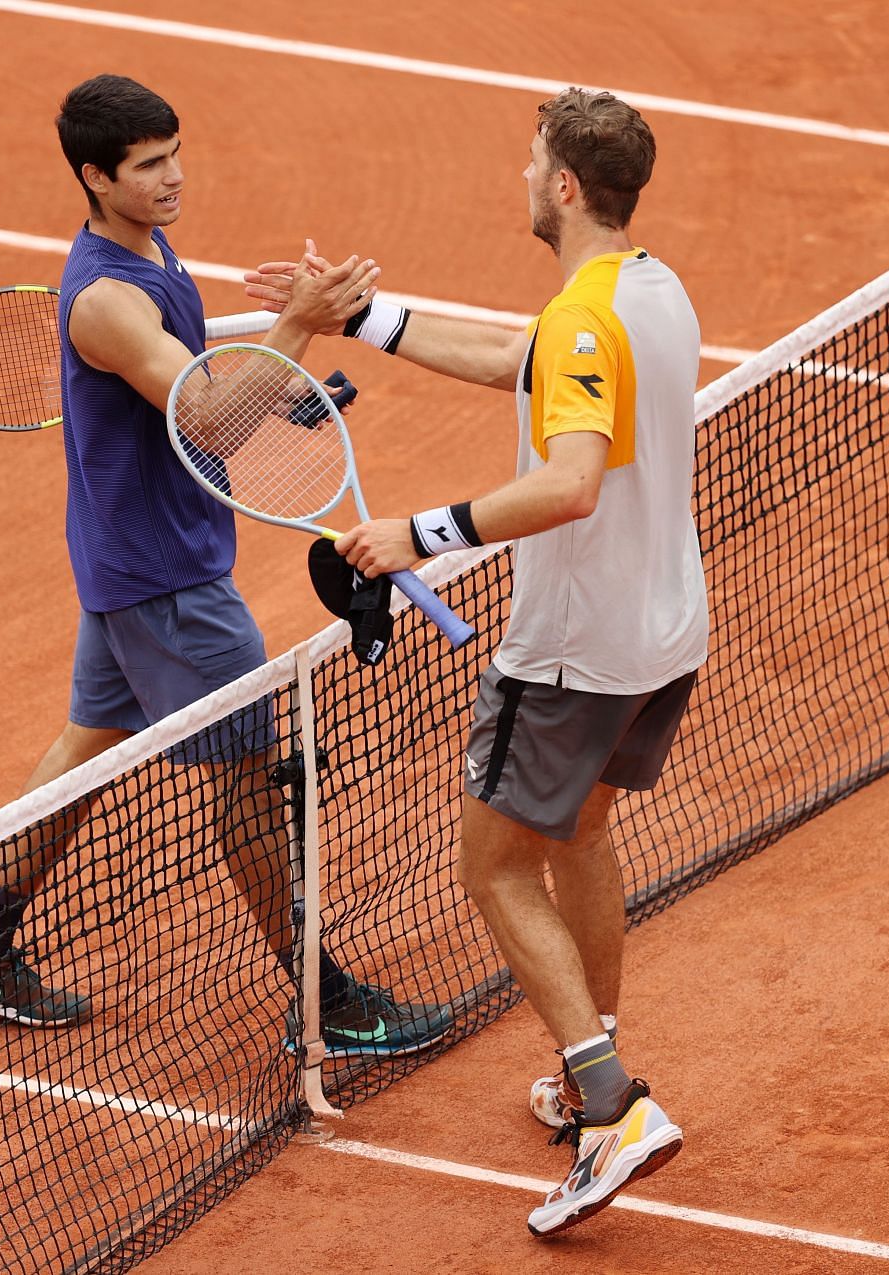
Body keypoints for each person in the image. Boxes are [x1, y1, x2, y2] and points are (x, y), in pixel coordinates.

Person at [247, 87, 708, 1235]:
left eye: (530, 162)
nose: (518, 177)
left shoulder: (590, 319)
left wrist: (420, 534)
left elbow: (570, 481)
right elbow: (525, 357)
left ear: (563, 187)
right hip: (663, 639)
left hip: (571, 650)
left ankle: (610, 1107)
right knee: (585, 837)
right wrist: (368, 318)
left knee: (495, 869)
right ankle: (585, 1072)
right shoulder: (645, 291)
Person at [0, 74, 452, 1062]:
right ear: (95, 177)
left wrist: (285, 390)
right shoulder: (106, 301)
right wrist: (296, 328)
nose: (174, 179)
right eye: (148, 167)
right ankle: (322, 1000)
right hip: (168, 582)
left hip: (133, 564)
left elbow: (206, 400)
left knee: (86, 753)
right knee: (255, 780)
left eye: (175, 156)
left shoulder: (147, 251)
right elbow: (202, 415)